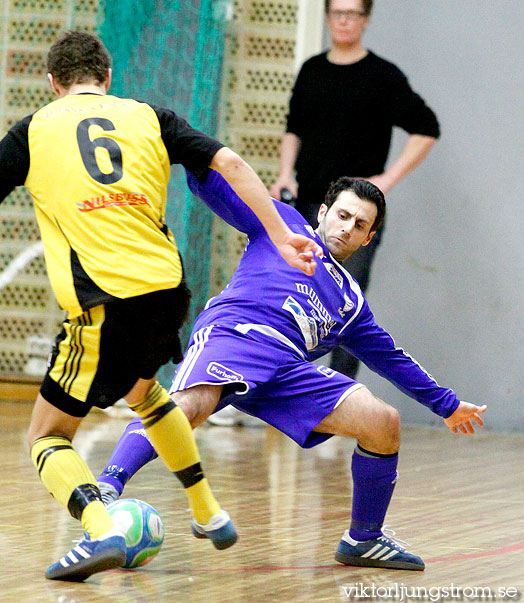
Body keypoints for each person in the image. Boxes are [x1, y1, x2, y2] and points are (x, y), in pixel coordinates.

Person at [0, 31, 323, 582]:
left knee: (46, 436)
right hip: (167, 293)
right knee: (146, 394)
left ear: (53, 83)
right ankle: (209, 512)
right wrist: (279, 233)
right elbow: (233, 164)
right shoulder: (150, 116)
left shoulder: (33, 130)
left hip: (104, 301)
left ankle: (102, 531)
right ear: (107, 79)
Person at [96, 170, 487, 571]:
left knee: (382, 421)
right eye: (343, 215)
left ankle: (364, 539)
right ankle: (107, 487)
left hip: (287, 368)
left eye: (360, 225)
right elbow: (217, 190)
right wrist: (192, 157)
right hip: (238, 335)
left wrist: (448, 406)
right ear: (323, 211)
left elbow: (391, 359)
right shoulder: (283, 225)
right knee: (192, 405)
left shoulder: (351, 303)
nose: (347, 227)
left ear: (368, 238)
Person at [269, 0, 440, 381]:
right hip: (312, 200)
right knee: (295, 290)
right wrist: (285, 174)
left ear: (365, 20)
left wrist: (387, 180)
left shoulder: (382, 76)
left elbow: (426, 128)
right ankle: (280, 383)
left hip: (359, 207)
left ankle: (340, 391)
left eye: (353, 14)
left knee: (344, 299)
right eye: (337, 13)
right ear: (328, 17)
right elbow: (293, 129)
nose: (344, 21)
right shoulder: (312, 70)